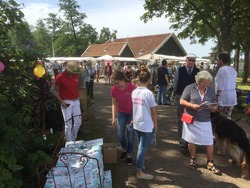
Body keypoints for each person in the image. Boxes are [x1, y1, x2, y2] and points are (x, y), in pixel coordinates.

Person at [180, 70, 221, 175]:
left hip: (205, 119)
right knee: (191, 139)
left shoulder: (210, 91)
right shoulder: (189, 88)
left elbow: (215, 105)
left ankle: (210, 162)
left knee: (209, 141)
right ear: (198, 81)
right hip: (192, 119)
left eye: (207, 83)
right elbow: (182, 101)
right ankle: (193, 158)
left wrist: (213, 108)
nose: (206, 85)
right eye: (204, 83)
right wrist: (192, 106)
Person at [132, 70, 157, 180]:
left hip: (137, 122)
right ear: (149, 80)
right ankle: (139, 171)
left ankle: (140, 164)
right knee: (142, 147)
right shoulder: (148, 93)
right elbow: (153, 111)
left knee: (140, 146)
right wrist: (155, 124)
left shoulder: (134, 91)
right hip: (146, 124)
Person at [173, 53, 200, 154]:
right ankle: (182, 142)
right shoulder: (180, 70)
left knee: (191, 118)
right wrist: (176, 93)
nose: (191, 62)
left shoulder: (197, 71)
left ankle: (190, 140)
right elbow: (175, 83)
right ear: (186, 60)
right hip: (181, 96)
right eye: (190, 60)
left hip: (193, 97)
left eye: (193, 61)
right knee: (181, 119)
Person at [110, 71, 137, 165]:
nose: (116, 85)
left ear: (123, 80)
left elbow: (137, 103)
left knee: (130, 136)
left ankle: (129, 155)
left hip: (131, 113)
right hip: (121, 113)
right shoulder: (114, 89)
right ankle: (124, 149)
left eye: (118, 83)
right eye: (115, 83)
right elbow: (113, 104)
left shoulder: (132, 87)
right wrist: (113, 118)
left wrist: (135, 117)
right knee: (120, 134)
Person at [51, 61, 82, 142]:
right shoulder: (60, 77)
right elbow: (53, 90)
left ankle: (73, 139)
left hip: (76, 101)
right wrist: (61, 101)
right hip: (66, 101)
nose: (74, 73)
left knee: (78, 122)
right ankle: (69, 143)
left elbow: (76, 87)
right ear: (68, 70)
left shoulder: (76, 75)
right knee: (68, 124)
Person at [214, 52, 237, 119]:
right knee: (228, 117)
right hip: (232, 97)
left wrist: (217, 96)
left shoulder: (222, 69)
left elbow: (220, 84)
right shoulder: (233, 69)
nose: (217, 61)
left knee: (220, 118)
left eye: (218, 60)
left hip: (223, 97)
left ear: (221, 60)